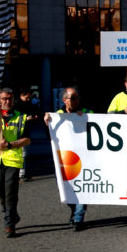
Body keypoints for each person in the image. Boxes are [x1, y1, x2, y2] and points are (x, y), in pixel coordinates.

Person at [0, 88, 31, 238]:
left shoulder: (21, 117)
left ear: (13, 99)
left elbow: (27, 139)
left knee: (10, 191)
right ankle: (11, 213)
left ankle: (9, 224)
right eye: (4, 98)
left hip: (12, 159)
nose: (7, 101)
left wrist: (9, 145)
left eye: (10, 98)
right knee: (0, 190)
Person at [45, 87, 92, 231]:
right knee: (65, 188)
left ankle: (78, 217)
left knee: (82, 186)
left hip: (84, 157)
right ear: (64, 100)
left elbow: (98, 121)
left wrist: (84, 117)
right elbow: (50, 135)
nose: (75, 101)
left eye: (77, 98)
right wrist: (47, 122)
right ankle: (73, 208)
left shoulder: (86, 112)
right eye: (72, 98)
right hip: (65, 158)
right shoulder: (57, 115)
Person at [13, 87, 40, 181]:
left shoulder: (28, 104)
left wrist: (34, 116)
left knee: (24, 153)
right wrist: (26, 118)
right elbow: (15, 118)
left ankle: (23, 172)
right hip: (17, 132)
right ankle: (22, 173)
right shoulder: (15, 104)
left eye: (29, 98)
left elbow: (35, 111)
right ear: (21, 95)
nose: (28, 99)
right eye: (27, 98)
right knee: (23, 153)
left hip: (25, 131)